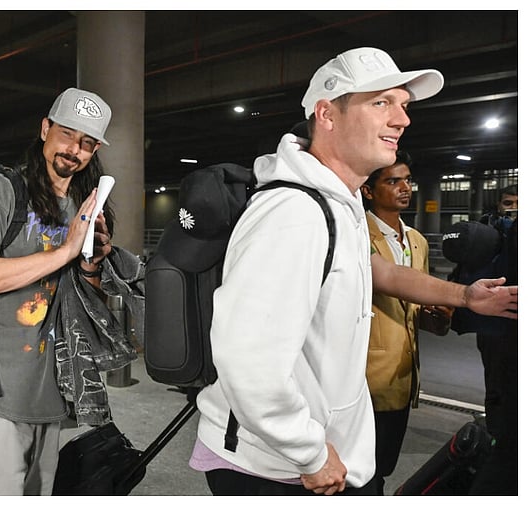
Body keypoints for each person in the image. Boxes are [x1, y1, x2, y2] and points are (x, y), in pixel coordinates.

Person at [189, 47, 517, 496]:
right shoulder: (295, 212)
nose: (402, 119)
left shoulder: (334, 205)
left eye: (403, 105)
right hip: (275, 465)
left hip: (315, 451)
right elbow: (248, 358)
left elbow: (375, 270)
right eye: (382, 102)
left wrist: (463, 296)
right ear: (326, 114)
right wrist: (310, 452)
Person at [0, 87, 117, 495]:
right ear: (44, 128)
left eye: (88, 143)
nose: (75, 149)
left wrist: (90, 261)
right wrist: (68, 248)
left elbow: (82, 305)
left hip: (48, 394)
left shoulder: (79, 205)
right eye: (68, 134)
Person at [360, 150, 451, 495]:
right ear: (368, 191)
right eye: (392, 181)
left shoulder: (418, 241)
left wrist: (435, 318)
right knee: (358, 472)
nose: (404, 187)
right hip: (363, 378)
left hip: (403, 378)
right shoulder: (357, 234)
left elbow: (414, 308)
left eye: (407, 180)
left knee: (383, 467)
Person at [467, 184, 517, 495]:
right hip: (493, 329)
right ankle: (496, 433)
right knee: (496, 386)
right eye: (508, 203)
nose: (513, 209)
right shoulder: (488, 232)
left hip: (509, 327)